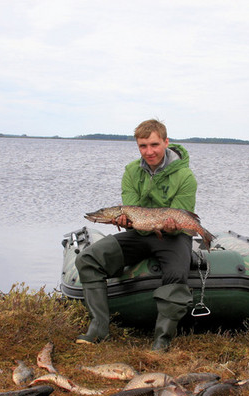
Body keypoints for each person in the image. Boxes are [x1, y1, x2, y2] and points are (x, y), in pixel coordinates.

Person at [75, 119, 197, 351]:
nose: (149, 151)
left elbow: (181, 218)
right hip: (141, 232)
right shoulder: (131, 171)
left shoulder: (186, 177)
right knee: (87, 259)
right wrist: (126, 222)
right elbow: (132, 210)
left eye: (154, 144)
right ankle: (99, 328)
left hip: (173, 235)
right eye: (143, 146)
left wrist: (172, 227)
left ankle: (161, 341)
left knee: (176, 274)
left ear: (166, 142)